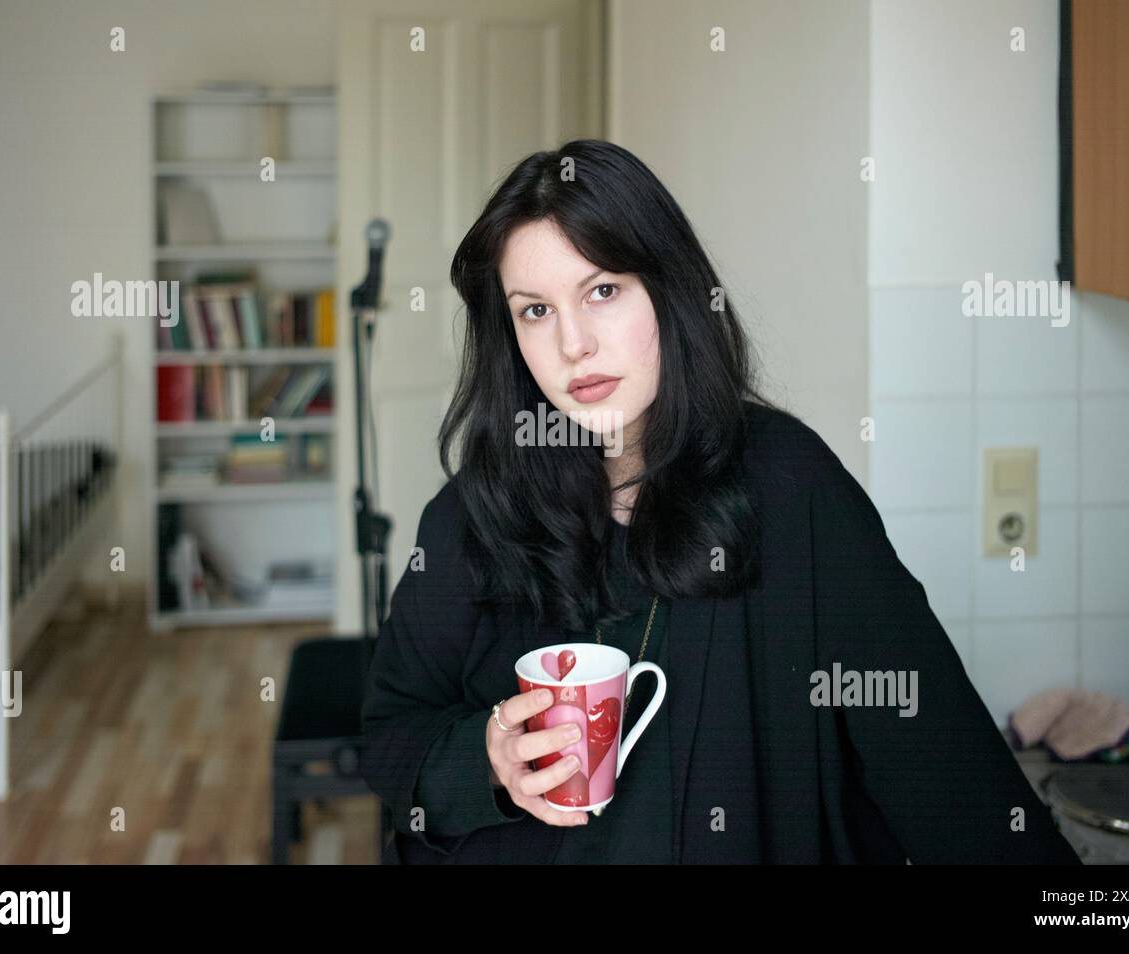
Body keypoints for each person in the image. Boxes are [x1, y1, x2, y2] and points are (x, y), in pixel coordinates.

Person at [359, 139, 1081, 865]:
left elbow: (939, 763)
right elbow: (389, 735)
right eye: (536, 310)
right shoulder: (471, 515)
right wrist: (485, 760)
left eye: (602, 290)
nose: (573, 344)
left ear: (669, 291)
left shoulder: (789, 485)